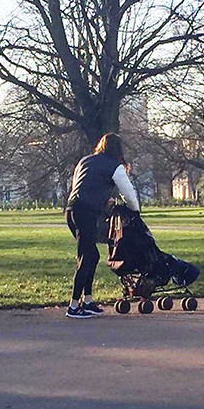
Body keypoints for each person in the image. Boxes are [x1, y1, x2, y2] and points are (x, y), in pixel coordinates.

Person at [65, 133, 140, 319]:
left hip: (71, 210)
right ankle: (74, 305)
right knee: (87, 256)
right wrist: (135, 210)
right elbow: (129, 193)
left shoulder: (85, 161)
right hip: (87, 212)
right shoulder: (114, 166)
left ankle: (88, 301)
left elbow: (80, 184)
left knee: (91, 254)